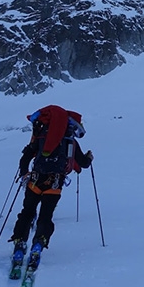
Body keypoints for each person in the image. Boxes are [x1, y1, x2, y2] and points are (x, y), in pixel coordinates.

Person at [8, 105, 94, 262]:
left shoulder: (42, 136)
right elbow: (83, 163)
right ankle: (39, 245)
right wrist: (89, 158)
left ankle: (19, 244)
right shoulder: (70, 142)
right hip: (55, 184)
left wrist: (24, 173)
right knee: (45, 217)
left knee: (27, 213)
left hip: (35, 181)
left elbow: (26, 156)